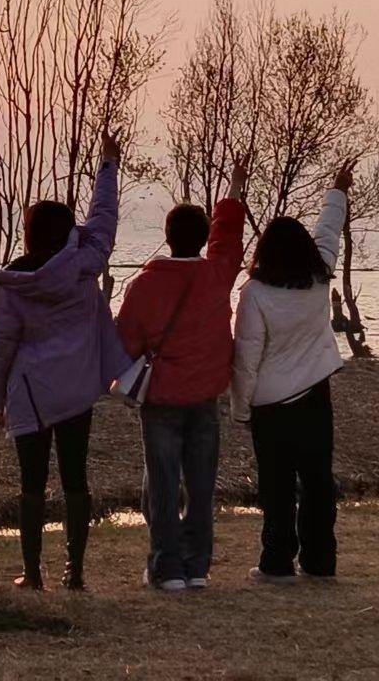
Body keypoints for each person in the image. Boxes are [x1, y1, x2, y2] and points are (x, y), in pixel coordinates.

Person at [0, 129, 129, 592]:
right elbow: (103, 219)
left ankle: (35, 572)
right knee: (76, 478)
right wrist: (107, 166)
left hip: (29, 397)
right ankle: (76, 572)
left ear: (27, 235)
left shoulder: (13, 287)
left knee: (31, 483)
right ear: (69, 234)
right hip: (77, 392)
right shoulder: (85, 266)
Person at [115, 159, 249, 592]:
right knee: (201, 487)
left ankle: (166, 566)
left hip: (161, 402)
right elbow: (228, 236)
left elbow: (125, 345)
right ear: (201, 239)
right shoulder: (217, 274)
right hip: (205, 399)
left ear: (167, 238)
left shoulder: (144, 286)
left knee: (163, 485)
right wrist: (235, 186)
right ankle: (196, 566)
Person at [230, 162, 354, 583]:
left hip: (270, 404)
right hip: (316, 394)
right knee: (318, 480)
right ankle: (320, 562)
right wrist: (337, 189)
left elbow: (247, 357)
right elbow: (328, 231)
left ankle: (277, 562)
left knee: (277, 487)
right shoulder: (319, 279)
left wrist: (240, 408)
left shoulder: (254, 293)